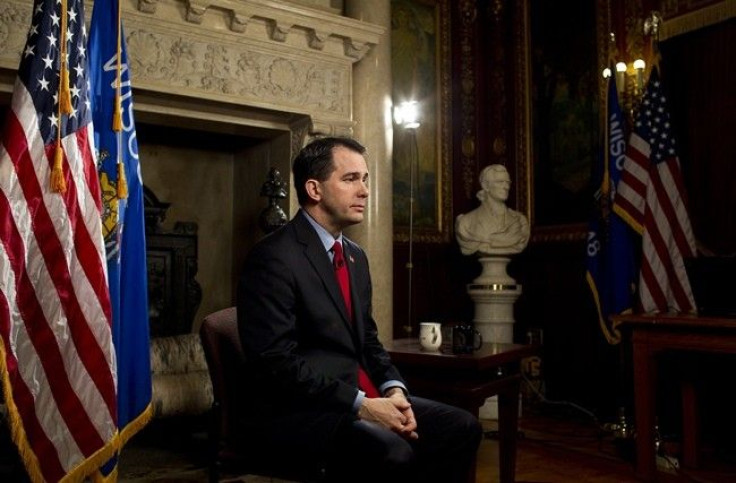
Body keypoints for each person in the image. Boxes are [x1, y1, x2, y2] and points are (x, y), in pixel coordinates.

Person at [237, 137, 482, 482]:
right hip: (301, 410)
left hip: (359, 395)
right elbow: (275, 362)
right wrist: (362, 405)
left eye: (365, 179)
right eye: (351, 179)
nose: (365, 190)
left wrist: (394, 390)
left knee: (462, 426)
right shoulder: (273, 257)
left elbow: (367, 340)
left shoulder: (355, 256)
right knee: (392, 452)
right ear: (314, 189)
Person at [455, 164, 530, 256]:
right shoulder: (465, 222)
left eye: (507, 182)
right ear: (485, 186)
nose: (506, 187)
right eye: (500, 182)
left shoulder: (520, 221)